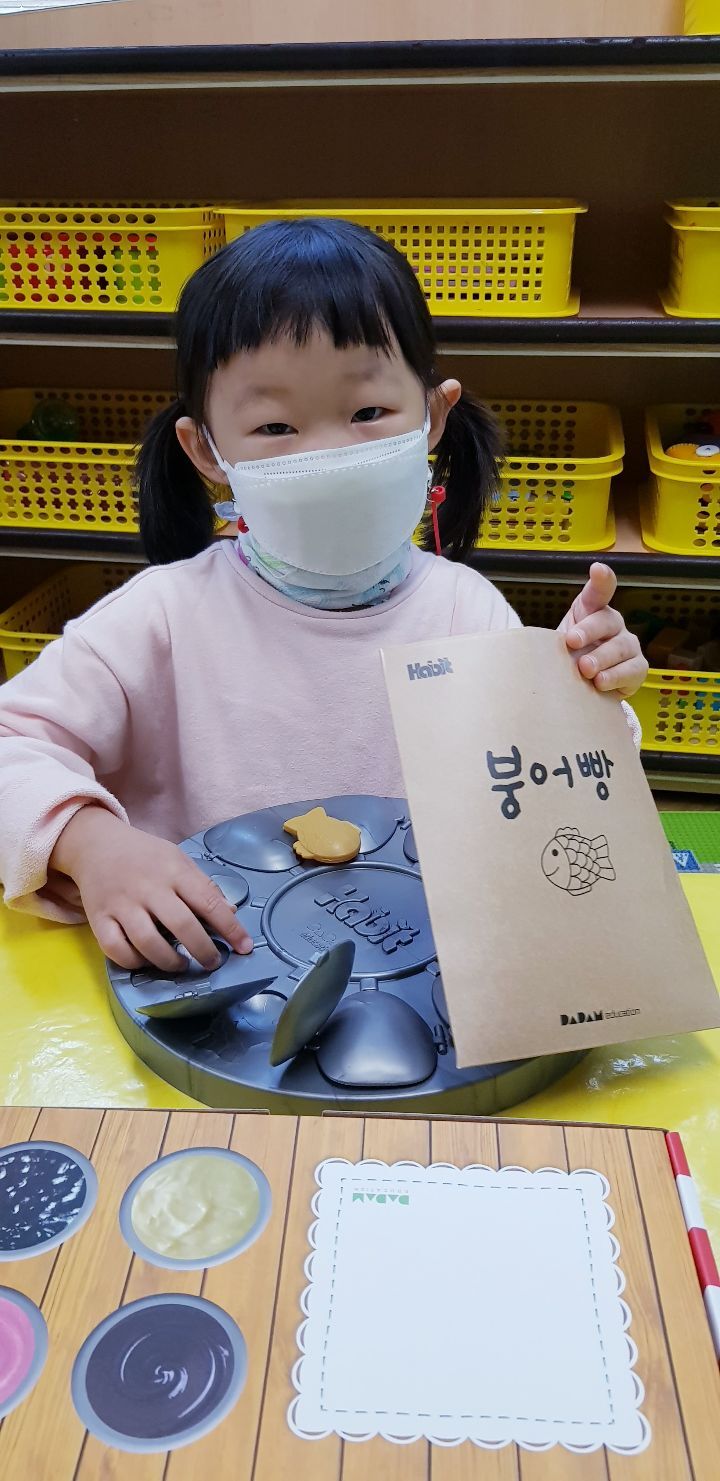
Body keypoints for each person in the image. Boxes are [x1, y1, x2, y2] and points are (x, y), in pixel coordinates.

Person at [0, 218, 647, 975]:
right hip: (210, 969)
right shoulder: (159, 618)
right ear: (206, 450)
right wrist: (91, 843)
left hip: (417, 972)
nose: (329, 453)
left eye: (368, 413)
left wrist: (582, 696)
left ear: (434, 417)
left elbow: (555, 803)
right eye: (275, 425)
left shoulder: (467, 613)